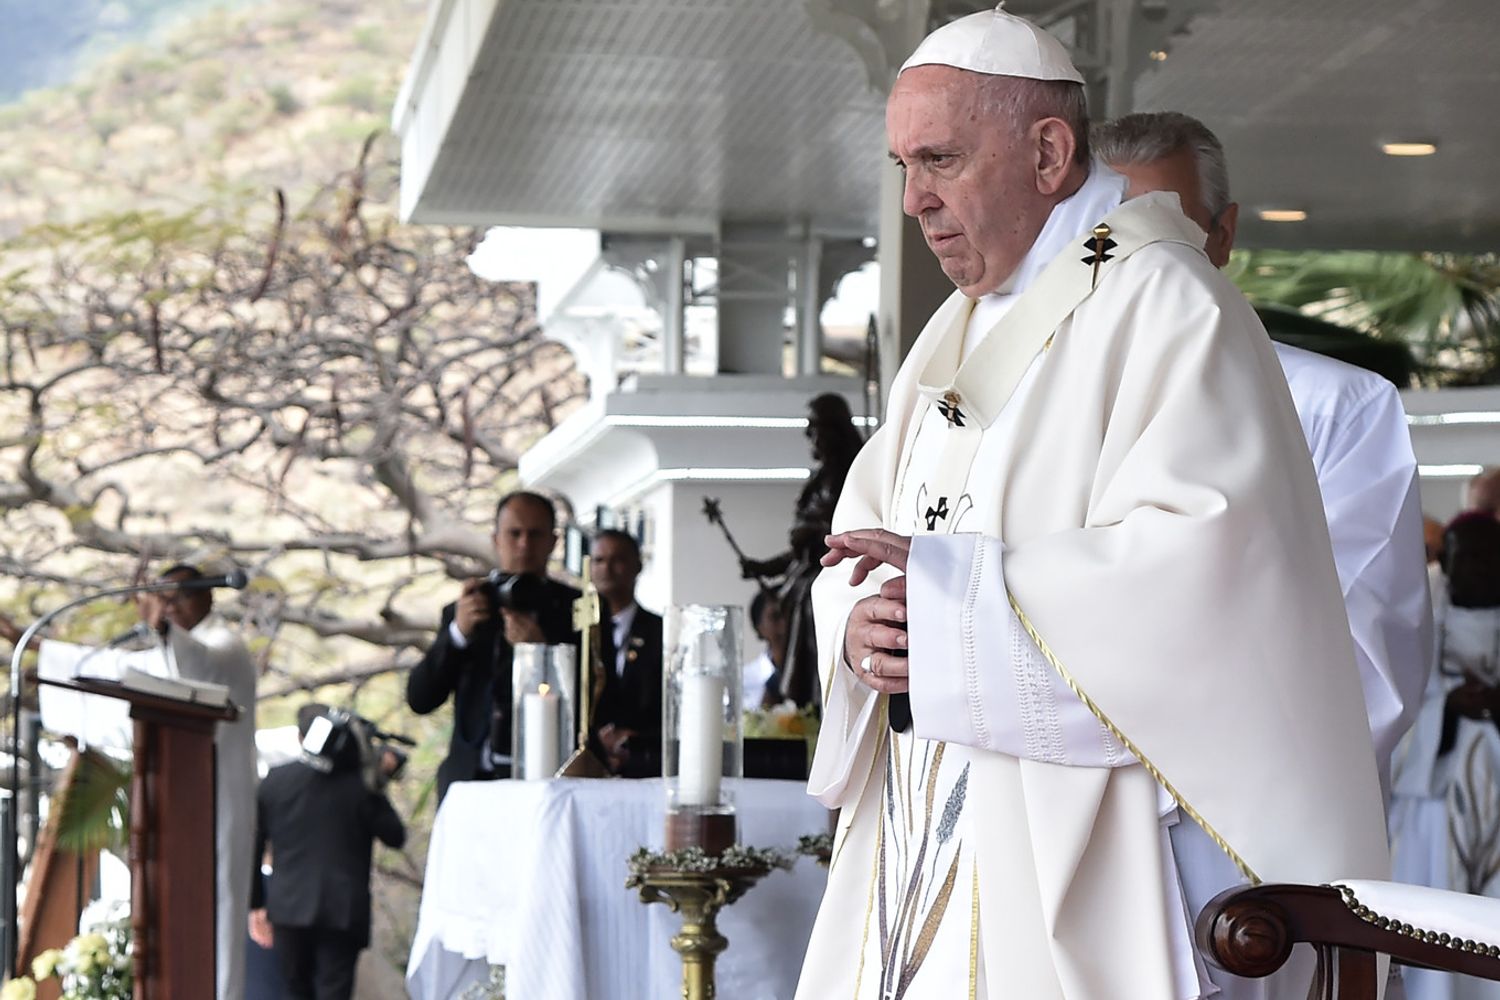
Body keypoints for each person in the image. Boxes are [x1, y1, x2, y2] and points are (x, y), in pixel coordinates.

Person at [796, 8, 1387, 999]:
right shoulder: (962, 327)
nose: (915, 200)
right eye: (904, 166)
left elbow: (1206, 572)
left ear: (1049, 150)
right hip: (932, 812)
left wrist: (952, 606)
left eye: (939, 159)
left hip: (1091, 830)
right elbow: (864, 540)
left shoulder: (1170, 303)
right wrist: (862, 629)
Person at [1093, 109, 1433, 801]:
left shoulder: (1337, 410)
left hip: (1240, 827)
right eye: (1107, 237)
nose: (1134, 261)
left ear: (1222, 237)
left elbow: (1367, 665)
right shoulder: (1030, 413)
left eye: (1166, 232)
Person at [8, 563, 259, 1000]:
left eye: (178, 598)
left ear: (207, 599)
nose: (171, 607)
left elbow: (200, 667)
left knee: (212, 911)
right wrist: (31, 645)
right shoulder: (176, 649)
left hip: (217, 799)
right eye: (164, 598)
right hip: (176, 804)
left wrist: (160, 624)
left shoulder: (225, 645)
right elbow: (122, 669)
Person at [406, 491, 580, 800]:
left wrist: (544, 652)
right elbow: (421, 699)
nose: (524, 544)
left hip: (547, 782)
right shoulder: (469, 606)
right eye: (514, 534)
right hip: (470, 781)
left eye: (535, 534)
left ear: (553, 542)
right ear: (496, 539)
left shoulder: (576, 609)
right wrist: (458, 634)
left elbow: (592, 703)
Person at [1390, 514, 1500, 1000]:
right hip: (1435, 778)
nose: (1472, 565)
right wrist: (1449, 705)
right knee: (1440, 898)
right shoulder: (1423, 606)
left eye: (1484, 553)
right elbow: (1401, 702)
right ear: (1446, 559)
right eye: (1462, 554)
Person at [248, 705, 406, 1000]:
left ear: (300, 737)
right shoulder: (361, 786)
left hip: (288, 909)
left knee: (296, 991)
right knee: (334, 992)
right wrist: (376, 775)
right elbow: (396, 836)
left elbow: (254, 846)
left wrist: (256, 904)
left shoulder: (276, 780)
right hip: (342, 912)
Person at [739, 393, 864, 709]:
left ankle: (816, 688)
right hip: (812, 569)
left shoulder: (850, 473)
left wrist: (810, 533)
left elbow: (840, 533)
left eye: (816, 427)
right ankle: (804, 693)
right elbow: (801, 552)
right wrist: (765, 567)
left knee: (812, 601)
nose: (811, 436)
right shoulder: (822, 478)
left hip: (839, 568)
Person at [589, 529, 663, 777]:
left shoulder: (660, 631)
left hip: (646, 762)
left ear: (637, 566)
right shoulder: (574, 631)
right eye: (599, 560)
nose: (607, 568)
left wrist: (636, 737)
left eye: (618, 559)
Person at [741, 589, 789, 710]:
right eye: (775, 617)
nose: (785, 625)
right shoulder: (744, 682)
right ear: (759, 628)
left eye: (790, 614)